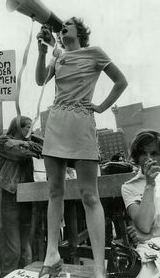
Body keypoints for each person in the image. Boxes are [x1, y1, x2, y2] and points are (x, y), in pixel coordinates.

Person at [35, 18, 128, 278]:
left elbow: (121, 82)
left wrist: (101, 107)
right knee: (55, 191)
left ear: (80, 31)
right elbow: (40, 80)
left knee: (90, 195)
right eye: (61, 26)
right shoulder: (58, 57)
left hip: (82, 124)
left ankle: (99, 268)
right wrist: (42, 52)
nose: (61, 27)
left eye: (67, 24)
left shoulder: (95, 53)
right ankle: (51, 255)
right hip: (56, 124)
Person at [0, 116, 43, 278]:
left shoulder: (28, 140)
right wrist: (29, 147)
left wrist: (24, 142)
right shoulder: (3, 141)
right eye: (27, 127)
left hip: (28, 195)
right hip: (11, 194)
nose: (30, 130)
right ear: (17, 127)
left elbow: (43, 149)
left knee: (25, 247)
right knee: (13, 248)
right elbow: (21, 155)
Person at [122, 129, 160, 277]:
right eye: (144, 153)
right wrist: (149, 185)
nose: (149, 158)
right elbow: (143, 225)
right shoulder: (129, 187)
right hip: (149, 250)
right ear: (137, 157)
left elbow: (145, 232)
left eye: (155, 153)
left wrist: (151, 234)